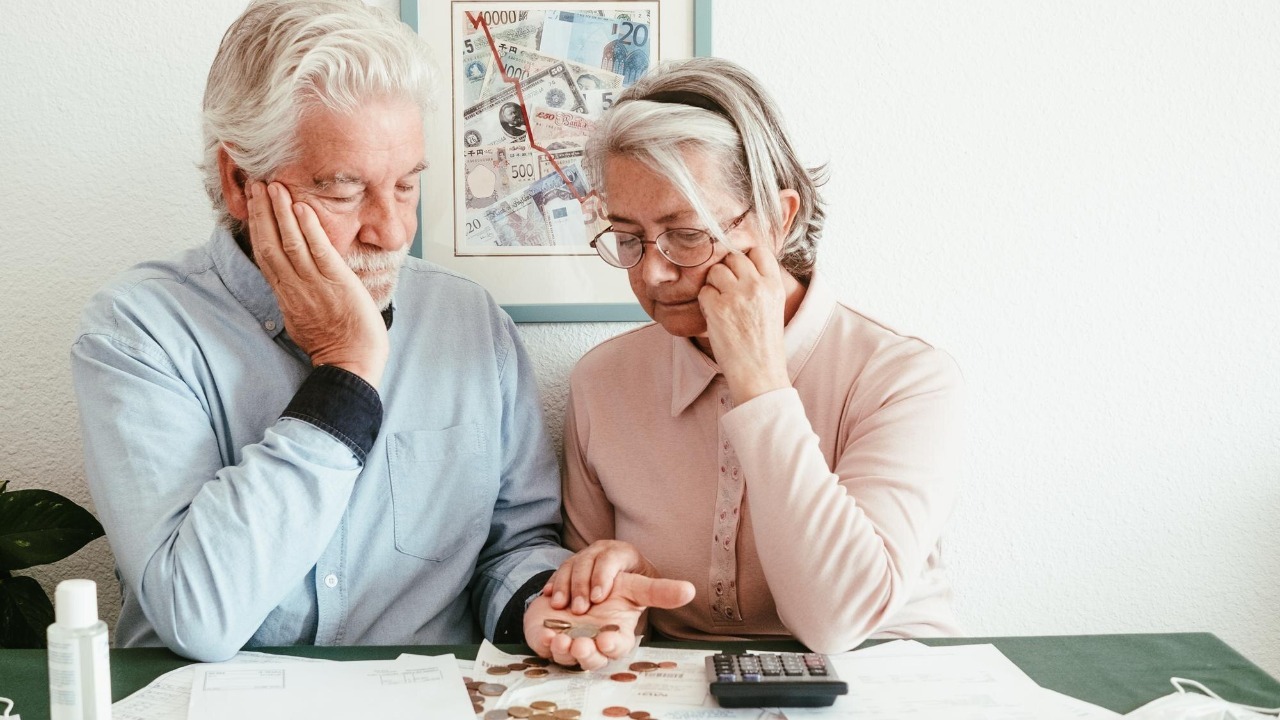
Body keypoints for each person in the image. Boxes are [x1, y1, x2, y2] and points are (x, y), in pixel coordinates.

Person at [71, 0, 689, 666]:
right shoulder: (138, 334)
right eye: (343, 190)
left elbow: (510, 548)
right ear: (238, 183)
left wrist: (548, 602)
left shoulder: (469, 323)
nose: (391, 232)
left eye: (405, 186)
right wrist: (345, 373)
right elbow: (198, 615)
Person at [547, 57, 965, 654]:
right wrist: (613, 593)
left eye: (687, 234)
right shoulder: (603, 382)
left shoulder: (905, 379)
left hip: (884, 682)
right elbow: (593, 612)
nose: (654, 272)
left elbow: (837, 623)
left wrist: (760, 382)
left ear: (777, 217)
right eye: (628, 239)